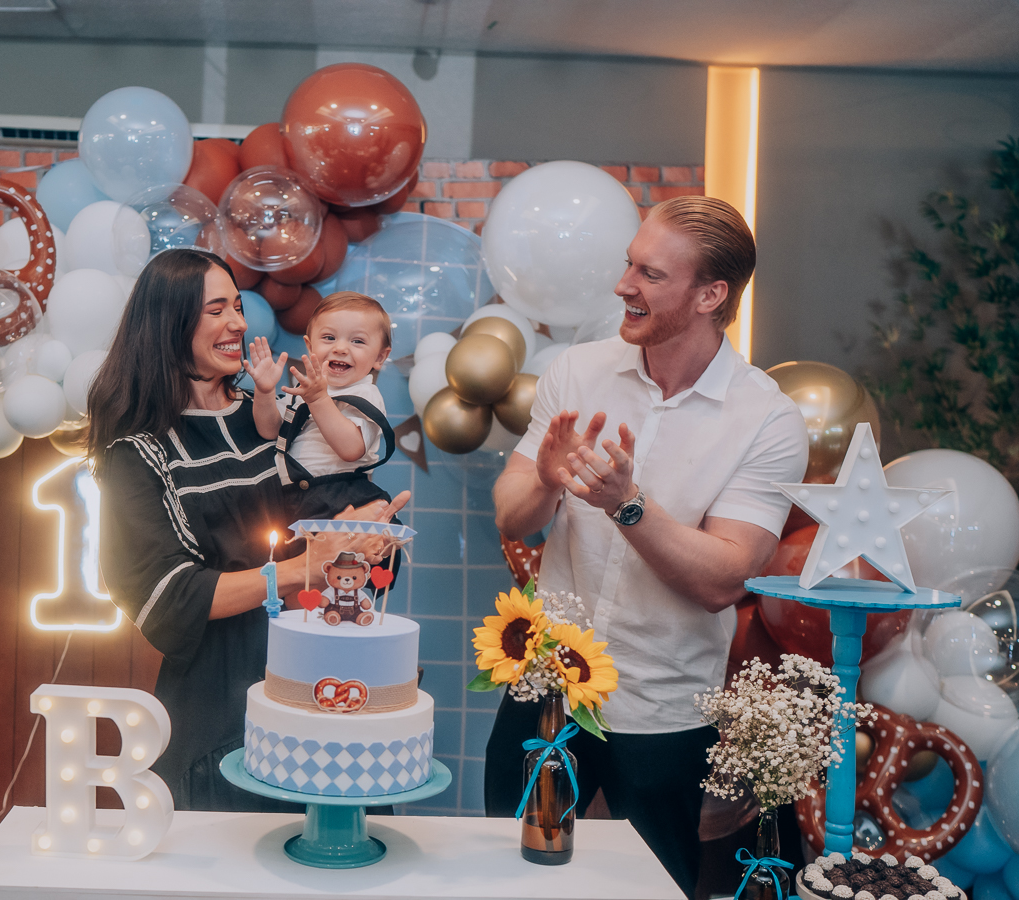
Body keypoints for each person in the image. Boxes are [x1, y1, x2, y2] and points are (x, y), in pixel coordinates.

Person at [487, 196, 808, 897]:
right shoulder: (577, 372)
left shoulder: (767, 420)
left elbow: (725, 577)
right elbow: (512, 514)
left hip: (663, 712)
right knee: (508, 878)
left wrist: (626, 506)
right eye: (629, 264)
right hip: (545, 690)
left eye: (650, 274)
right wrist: (545, 480)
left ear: (710, 295)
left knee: (654, 887)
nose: (622, 285)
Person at [87, 249, 409, 811]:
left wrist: (377, 536)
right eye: (217, 310)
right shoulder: (138, 454)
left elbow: (345, 509)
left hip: (326, 688)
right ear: (169, 324)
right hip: (221, 708)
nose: (238, 322)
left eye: (237, 306)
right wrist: (304, 568)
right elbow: (165, 597)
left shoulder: (276, 413)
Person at [242, 291, 394, 523]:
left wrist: (318, 400)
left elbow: (351, 449)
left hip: (341, 498)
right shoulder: (305, 390)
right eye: (329, 338)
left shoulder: (365, 394)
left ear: (380, 357)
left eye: (357, 341)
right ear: (309, 346)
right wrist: (265, 391)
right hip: (293, 498)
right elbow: (269, 431)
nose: (340, 348)